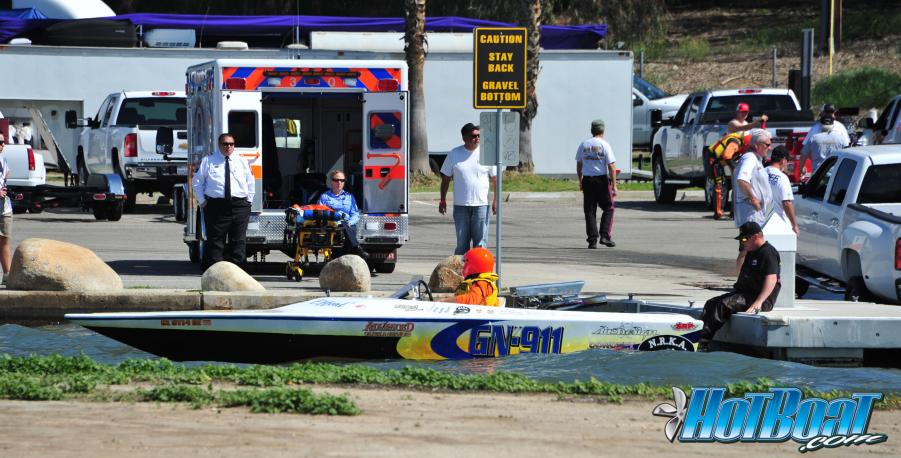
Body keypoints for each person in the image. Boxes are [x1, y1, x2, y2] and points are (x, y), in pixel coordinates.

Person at [699, 222, 781, 351]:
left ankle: (702, 343)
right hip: (745, 294)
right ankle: (698, 337)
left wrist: (759, 302)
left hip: (760, 299)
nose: (742, 243)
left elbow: (772, 279)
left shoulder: (768, 253)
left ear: (756, 236)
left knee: (723, 305)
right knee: (711, 303)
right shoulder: (751, 251)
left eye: (744, 239)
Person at [192, 133, 255, 270]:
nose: (228, 147)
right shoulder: (208, 161)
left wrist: (248, 202)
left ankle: (238, 272)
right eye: (225, 144)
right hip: (216, 206)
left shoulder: (242, 161)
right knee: (215, 241)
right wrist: (202, 201)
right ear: (219, 145)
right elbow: (197, 182)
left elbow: (250, 182)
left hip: (239, 206)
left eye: (231, 144)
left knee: (238, 241)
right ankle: (216, 272)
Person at [439, 123, 497, 256]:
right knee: (462, 245)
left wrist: (495, 200)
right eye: (473, 136)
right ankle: (461, 268)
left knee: (480, 245)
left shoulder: (487, 153)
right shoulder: (454, 153)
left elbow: (495, 178)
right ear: (464, 138)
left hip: (481, 205)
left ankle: (479, 269)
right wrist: (442, 200)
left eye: (479, 136)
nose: (477, 138)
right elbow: (446, 178)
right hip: (461, 206)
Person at [733, 129, 773, 270]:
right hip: (750, 213)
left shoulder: (756, 159)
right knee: (746, 249)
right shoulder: (750, 159)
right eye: (767, 144)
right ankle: (741, 278)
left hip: (755, 213)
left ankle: (748, 277)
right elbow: (742, 180)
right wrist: (754, 199)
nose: (770, 148)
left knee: (751, 248)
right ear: (757, 145)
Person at [575, 119, 618, 248]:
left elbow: (579, 164)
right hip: (601, 180)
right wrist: (614, 185)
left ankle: (592, 240)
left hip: (587, 180)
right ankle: (604, 236)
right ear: (603, 130)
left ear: (592, 130)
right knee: (609, 208)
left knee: (590, 210)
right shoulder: (605, 145)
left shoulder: (584, 144)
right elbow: (611, 166)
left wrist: (580, 180)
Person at [317, 169, 368, 259]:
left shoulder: (349, 197)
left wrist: (350, 222)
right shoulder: (324, 197)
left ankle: (343, 256)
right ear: (331, 181)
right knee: (345, 227)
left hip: (347, 223)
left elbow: (355, 214)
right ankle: (356, 248)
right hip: (331, 223)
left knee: (349, 227)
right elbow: (320, 213)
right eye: (336, 180)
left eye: (342, 180)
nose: (339, 182)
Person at [707, 131, 752, 220]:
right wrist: (734, 168)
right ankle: (718, 213)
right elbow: (727, 156)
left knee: (723, 185)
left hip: (717, 162)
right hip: (714, 163)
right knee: (720, 186)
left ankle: (723, 211)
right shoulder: (734, 143)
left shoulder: (737, 141)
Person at [765, 146, 800, 236]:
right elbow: (787, 203)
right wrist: (794, 225)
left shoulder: (761, 173)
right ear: (783, 160)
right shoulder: (782, 178)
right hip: (779, 226)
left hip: (761, 223)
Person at [0, 133, 12, 283]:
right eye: (0, 142)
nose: (3, 145)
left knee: (4, 240)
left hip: (4, 208)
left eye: (3, 142)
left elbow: (6, 174)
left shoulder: (3, 159)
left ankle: (7, 275)